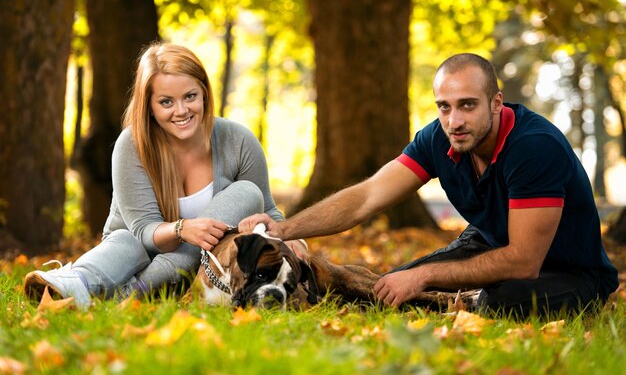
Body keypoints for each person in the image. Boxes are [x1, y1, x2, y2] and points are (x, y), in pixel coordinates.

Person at [240, 53, 619, 316]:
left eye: (467, 105)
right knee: (391, 291)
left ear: (496, 102)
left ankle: (470, 301)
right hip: (487, 245)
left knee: (496, 303)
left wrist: (425, 275)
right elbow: (367, 197)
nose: (454, 120)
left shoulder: (535, 147)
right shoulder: (439, 138)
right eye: (444, 106)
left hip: (569, 272)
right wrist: (284, 227)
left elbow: (523, 260)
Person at [24, 43, 302, 309]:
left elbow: (267, 212)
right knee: (127, 242)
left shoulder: (237, 141)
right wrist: (184, 228)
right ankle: (76, 281)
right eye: (166, 102)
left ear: (205, 93)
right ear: (149, 106)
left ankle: (128, 295)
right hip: (129, 255)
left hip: (198, 266)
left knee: (247, 194)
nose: (181, 111)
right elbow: (143, 232)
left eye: (190, 97)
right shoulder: (131, 145)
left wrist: (296, 241)